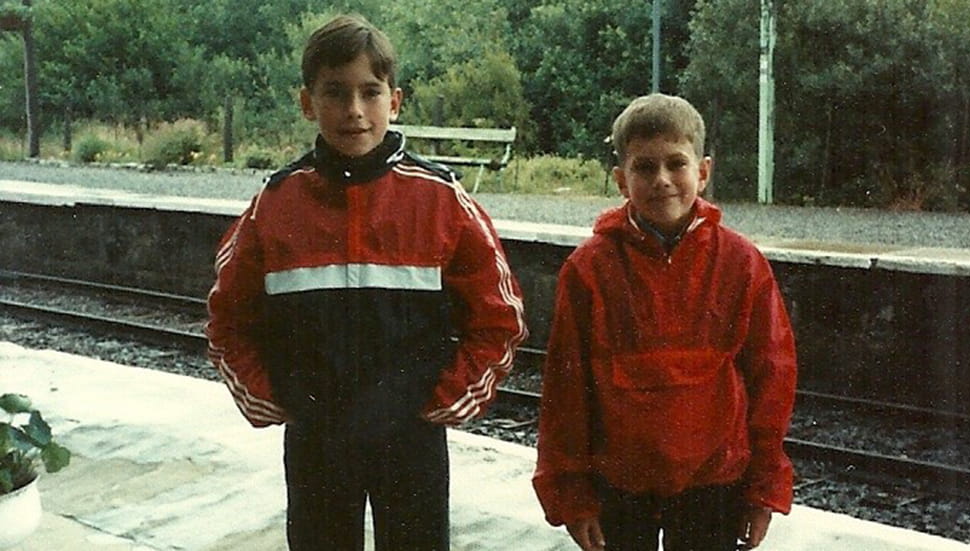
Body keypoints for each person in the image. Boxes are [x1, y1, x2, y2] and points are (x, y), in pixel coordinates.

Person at [205, 14, 527, 551]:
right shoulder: (275, 203)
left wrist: (449, 398)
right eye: (335, 93)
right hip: (316, 441)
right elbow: (227, 318)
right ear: (308, 102)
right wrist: (264, 394)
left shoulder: (441, 199)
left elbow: (500, 316)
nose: (354, 111)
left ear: (394, 101)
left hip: (411, 437)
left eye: (369, 93)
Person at [532, 93, 797, 551]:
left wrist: (764, 490)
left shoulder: (741, 263)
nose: (662, 180)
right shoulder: (589, 269)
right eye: (644, 167)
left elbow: (772, 378)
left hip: (715, 482)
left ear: (704, 171)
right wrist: (572, 495)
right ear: (620, 179)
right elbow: (565, 391)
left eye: (677, 164)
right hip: (617, 484)